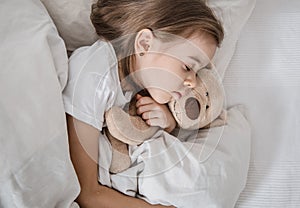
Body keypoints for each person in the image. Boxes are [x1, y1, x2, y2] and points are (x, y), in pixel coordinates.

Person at [63, 0, 224, 207]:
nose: (192, 81)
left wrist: (168, 122)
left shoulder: (140, 81)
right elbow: (87, 193)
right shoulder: (94, 74)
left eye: (197, 72)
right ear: (145, 44)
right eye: (187, 67)